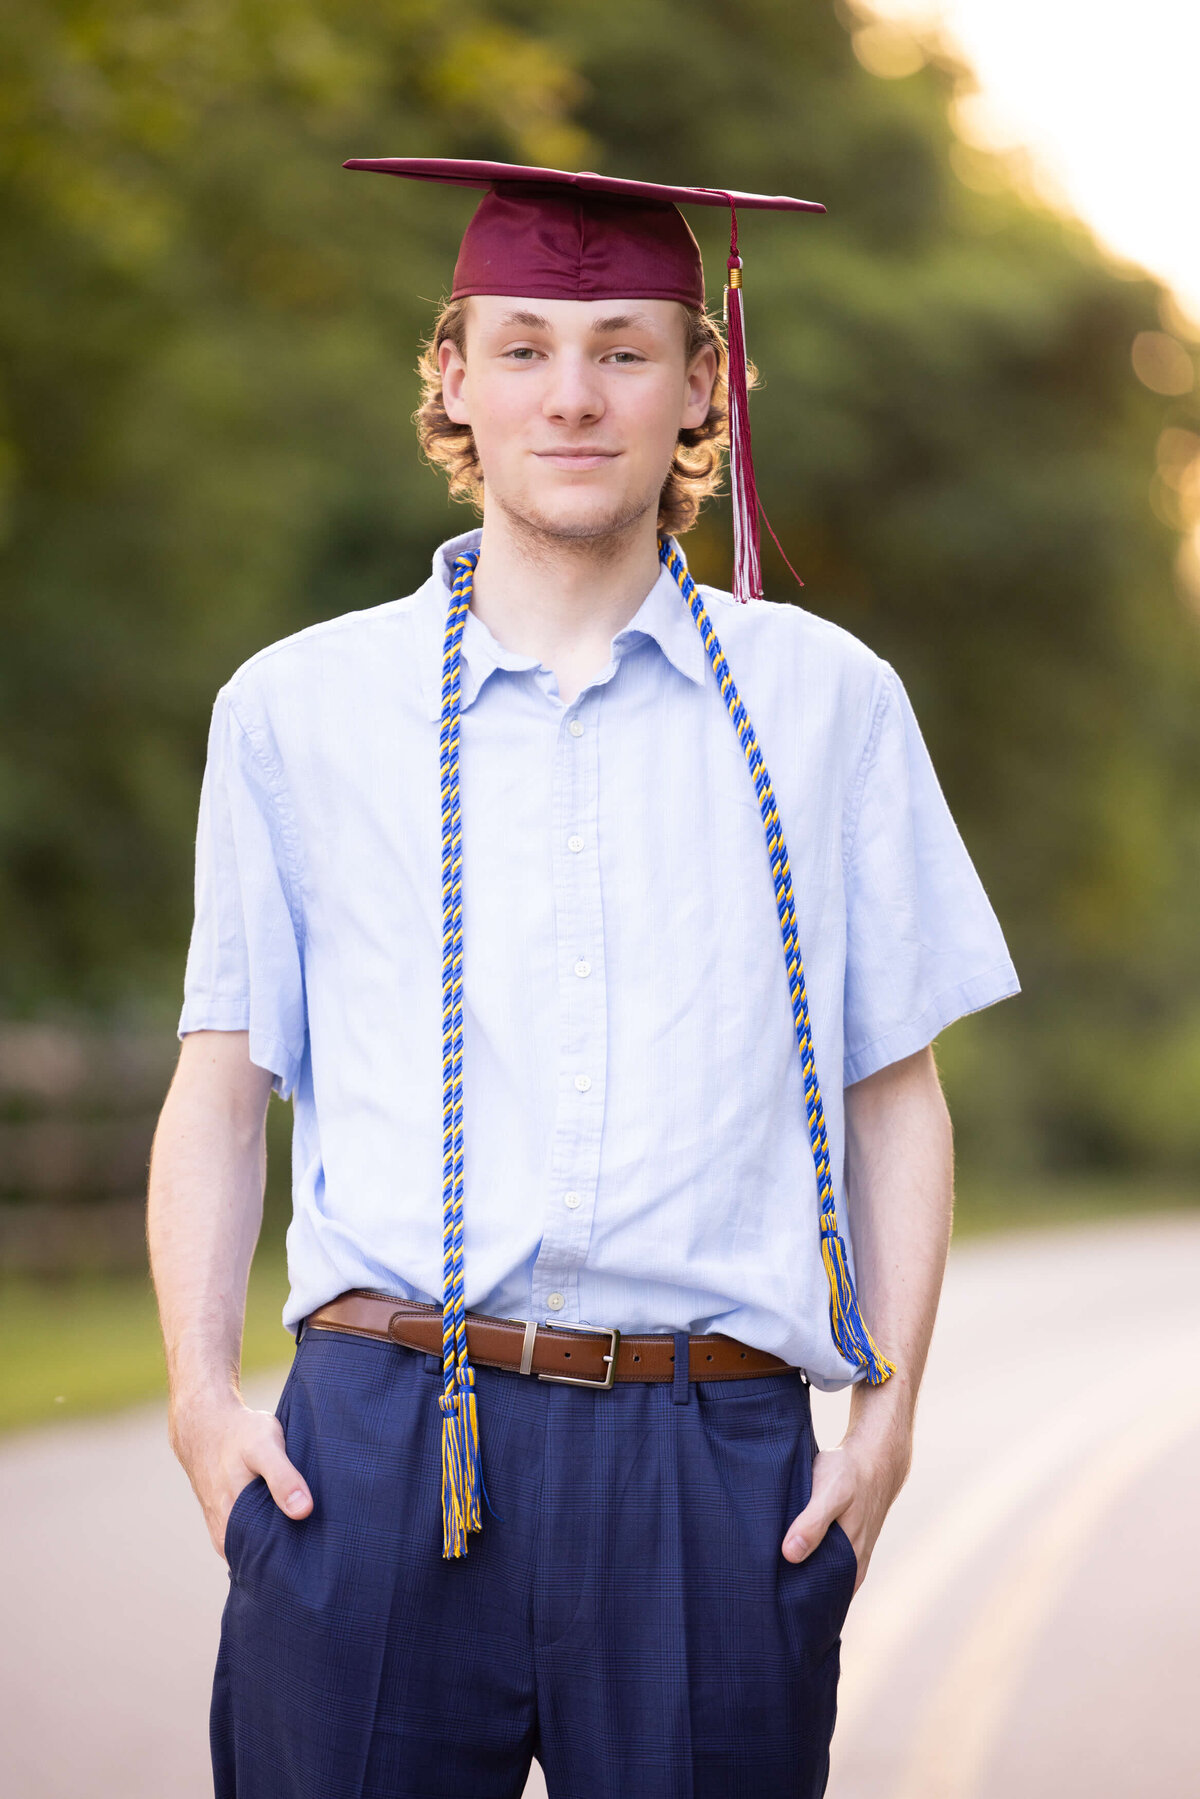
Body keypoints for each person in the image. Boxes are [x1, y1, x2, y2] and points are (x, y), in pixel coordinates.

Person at [147, 159, 1020, 1799]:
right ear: (454, 376)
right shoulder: (296, 708)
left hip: (709, 1460)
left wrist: (888, 1421)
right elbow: (223, 1082)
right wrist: (202, 1405)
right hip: (382, 1438)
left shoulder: (828, 706)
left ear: (705, 380)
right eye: (525, 345)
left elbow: (893, 1092)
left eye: (623, 348)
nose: (571, 394)